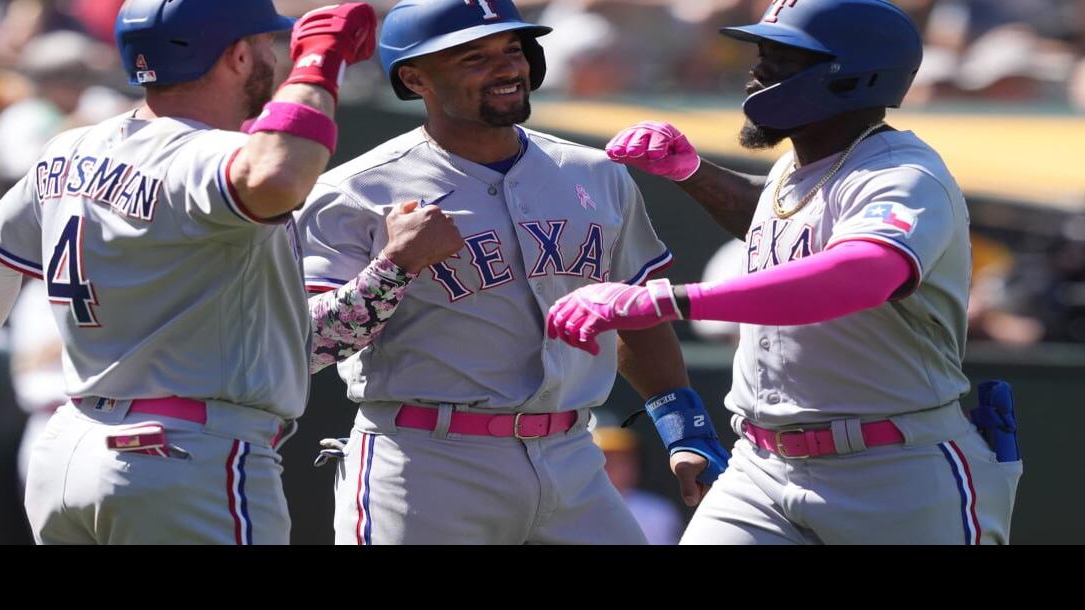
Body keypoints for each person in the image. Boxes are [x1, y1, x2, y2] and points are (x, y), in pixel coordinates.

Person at [0, 0, 379, 544]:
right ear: (239, 55)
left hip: (68, 448)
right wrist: (318, 61)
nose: (273, 55)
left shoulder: (71, 147)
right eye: (267, 43)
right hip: (184, 455)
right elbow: (278, 174)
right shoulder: (206, 154)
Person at [546, 0, 1021, 544]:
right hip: (762, 467)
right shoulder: (803, 163)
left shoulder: (903, 173)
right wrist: (694, 174)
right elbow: (788, 227)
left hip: (894, 467)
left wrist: (670, 300)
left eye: (782, 57)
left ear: (851, 77)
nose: (757, 70)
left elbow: (861, 273)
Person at [298, 0, 728, 545]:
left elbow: (636, 314)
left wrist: (683, 428)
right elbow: (306, 345)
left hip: (574, 454)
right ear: (414, 77)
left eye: (511, 49)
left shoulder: (594, 173)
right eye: (473, 57)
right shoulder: (356, 190)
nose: (506, 67)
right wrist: (395, 267)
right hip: (427, 460)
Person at [592, 426, 684, 545]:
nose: (614, 467)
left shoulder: (658, 512)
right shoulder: (570, 509)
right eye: (607, 459)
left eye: (623, 460)